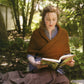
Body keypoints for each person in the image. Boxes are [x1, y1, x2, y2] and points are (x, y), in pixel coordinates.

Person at [27, 5, 75, 84]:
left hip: (56, 70)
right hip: (39, 68)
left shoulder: (63, 33)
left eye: (54, 19)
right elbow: (30, 54)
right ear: (43, 19)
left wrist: (69, 61)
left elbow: (67, 53)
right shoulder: (36, 33)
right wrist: (35, 63)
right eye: (48, 19)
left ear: (57, 19)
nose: (51, 22)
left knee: (64, 81)